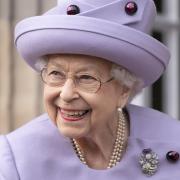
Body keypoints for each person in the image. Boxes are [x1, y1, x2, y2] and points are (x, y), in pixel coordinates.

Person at [0, 0, 180, 179]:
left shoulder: (173, 140)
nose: (66, 94)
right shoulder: (16, 159)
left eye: (86, 78)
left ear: (124, 90)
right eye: (56, 74)